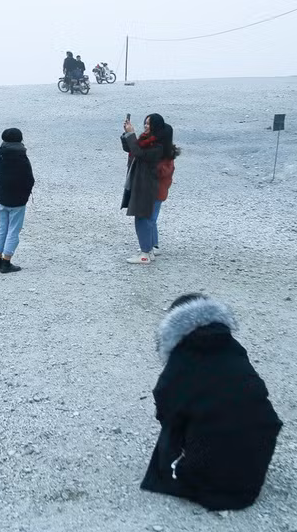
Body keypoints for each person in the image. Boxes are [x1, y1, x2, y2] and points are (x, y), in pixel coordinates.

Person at [141, 293, 283, 511]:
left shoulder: (182, 360)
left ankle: (203, 471)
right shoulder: (233, 348)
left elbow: (166, 410)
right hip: (254, 468)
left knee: (182, 426)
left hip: (214, 482)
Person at [120, 113, 168, 264]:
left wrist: (131, 134)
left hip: (147, 187)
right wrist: (127, 134)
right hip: (143, 185)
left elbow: (139, 154)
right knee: (147, 219)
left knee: (142, 219)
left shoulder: (158, 145)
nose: (146, 126)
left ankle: (145, 254)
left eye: (149, 124)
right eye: (145, 123)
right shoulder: (149, 140)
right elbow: (131, 149)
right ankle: (150, 250)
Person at [0, 127, 35, 274]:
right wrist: (26, 193)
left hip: (2, 197)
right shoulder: (21, 156)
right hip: (18, 200)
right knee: (13, 230)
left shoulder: (0, 153)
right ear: (20, 139)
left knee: (1, 228)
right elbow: (29, 178)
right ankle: (6, 263)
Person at [151, 123, 180, 256]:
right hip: (158, 190)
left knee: (151, 218)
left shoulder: (166, 155)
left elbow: (163, 172)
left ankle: (153, 245)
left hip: (158, 191)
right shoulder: (167, 152)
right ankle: (153, 243)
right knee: (151, 218)